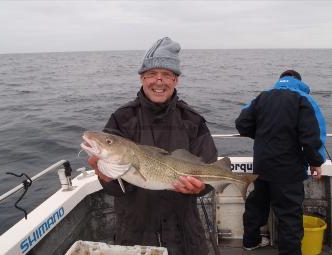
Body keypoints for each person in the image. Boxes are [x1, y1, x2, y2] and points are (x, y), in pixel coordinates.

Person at [88, 37, 218, 255]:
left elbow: (210, 170)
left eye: (166, 74)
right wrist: (105, 176)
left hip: (185, 233)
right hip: (135, 232)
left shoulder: (193, 121)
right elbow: (115, 188)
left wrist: (201, 188)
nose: (159, 81)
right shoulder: (121, 119)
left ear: (176, 80)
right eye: (151, 74)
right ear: (142, 78)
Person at [235, 70, 326, 255]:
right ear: (298, 81)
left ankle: (250, 242)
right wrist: (316, 162)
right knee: (289, 215)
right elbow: (311, 137)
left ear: (280, 80)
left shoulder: (262, 97)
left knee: (256, 204)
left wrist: (260, 135)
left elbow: (242, 123)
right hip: (288, 170)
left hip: (261, 166)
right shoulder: (303, 99)